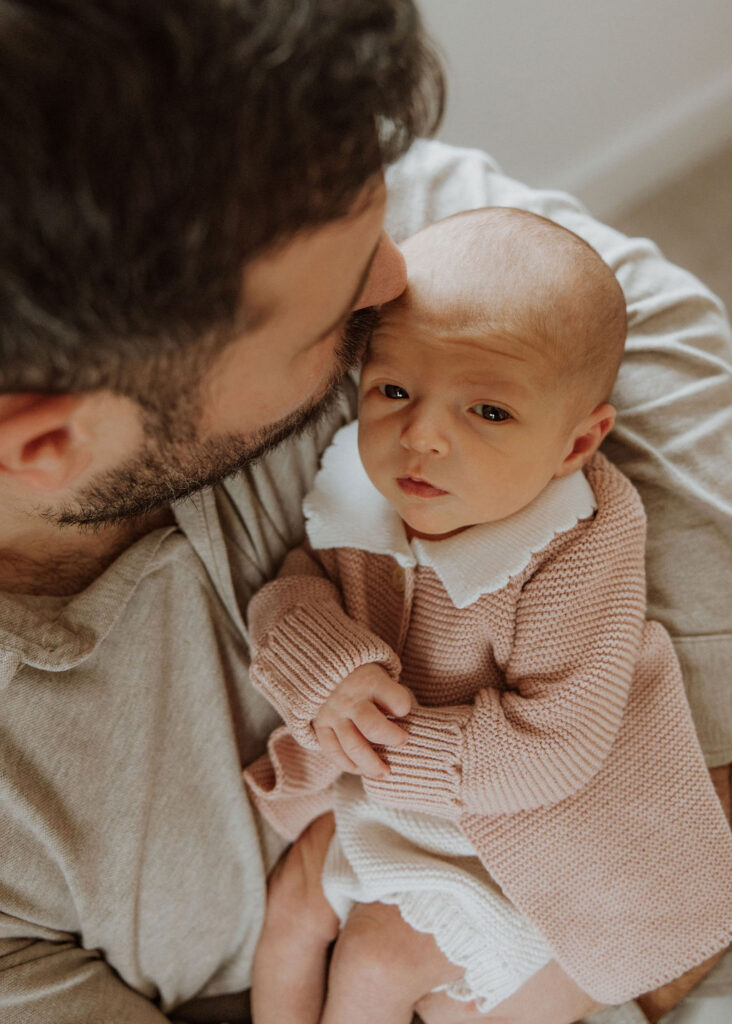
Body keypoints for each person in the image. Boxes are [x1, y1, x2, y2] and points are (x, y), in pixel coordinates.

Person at [0, 2, 729, 1023]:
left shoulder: (258, 186)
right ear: (49, 443)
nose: (401, 279)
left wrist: (696, 803)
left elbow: (635, 311)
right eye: (342, 316)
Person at [244, 207, 732, 1024]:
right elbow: (292, 594)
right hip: (393, 816)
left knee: (376, 962)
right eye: (393, 390)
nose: (422, 436)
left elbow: (559, 742)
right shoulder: (357, 500)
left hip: (536, 826)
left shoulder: (572, 546)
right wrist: (332, 674)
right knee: (293, 919)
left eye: (490, 412)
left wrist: (393, 752)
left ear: (575, 445)